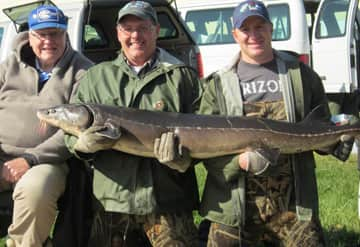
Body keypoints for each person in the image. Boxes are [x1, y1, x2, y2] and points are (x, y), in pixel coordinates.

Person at [197, 1, 354, 246]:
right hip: (235, 207)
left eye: (260, 26)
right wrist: (238, 162)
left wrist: (334, 142)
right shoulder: (218, 85)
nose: (254, 35)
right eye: (246, 29)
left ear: (271, 28)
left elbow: (319, 127)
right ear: (235, 34)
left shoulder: (301, 75)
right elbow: (205, 148)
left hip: (294, 205)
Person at [64, 1, 203, 246]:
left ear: (156, 31)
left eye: (143, 27)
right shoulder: (96, 77)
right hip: (112, 200)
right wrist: (83, 145)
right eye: (127, 29)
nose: (135, 35)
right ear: (118, 34)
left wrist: (184, 159)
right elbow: (70, 134)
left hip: (167, 200)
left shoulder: (182, 77)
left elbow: (210, 135)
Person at [0, 5, 93, 247]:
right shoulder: (7, 67)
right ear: (29, 35)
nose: (48, 41)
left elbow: (76, 129)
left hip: (49, 162)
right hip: (2, 156)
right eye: (41, 34)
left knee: (34, 190)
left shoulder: (83, 72)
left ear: (65, 34)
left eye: (55, 33)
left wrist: (30, 159)